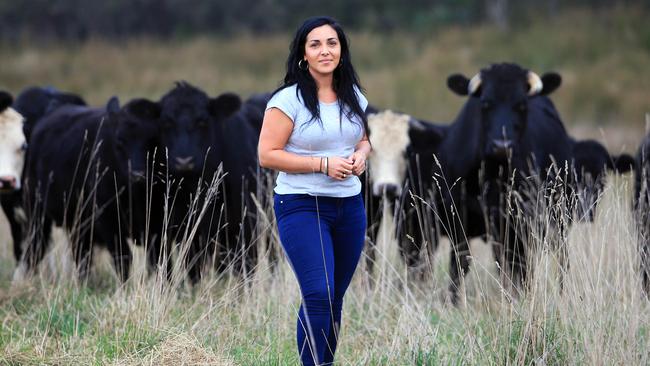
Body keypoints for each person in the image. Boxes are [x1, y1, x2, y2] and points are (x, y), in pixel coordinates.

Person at [258, 16, 371, 366]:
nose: (325, 50)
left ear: (342, 50)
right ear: (303, 55)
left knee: (333, 298)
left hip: (349, 207)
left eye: (332, 43)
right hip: (301, 206)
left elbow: (363, 139)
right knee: (318, 294)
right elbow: (267, 155)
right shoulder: (287, 101)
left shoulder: (356, 98)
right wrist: (322, 164)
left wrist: (362, 155)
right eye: (315, 44)